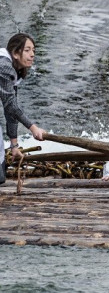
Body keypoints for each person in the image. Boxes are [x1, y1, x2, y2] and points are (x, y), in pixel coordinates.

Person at [0, 33, 46, 184]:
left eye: (33, 50)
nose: (32, 54)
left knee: (1, 177)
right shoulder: (4, 67)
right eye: (27, 50)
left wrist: (14, 145)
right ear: (15, 53)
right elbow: (11, 105)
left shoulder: (15, 70)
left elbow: (10, 109)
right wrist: (33, 128)